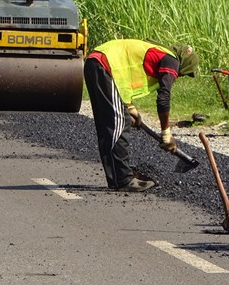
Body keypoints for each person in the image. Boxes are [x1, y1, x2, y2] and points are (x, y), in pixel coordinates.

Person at [84, 39, 199, 192]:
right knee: (119, 123)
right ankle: (123, 180)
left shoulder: (158, 52)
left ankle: (118, 177)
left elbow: (125, 75)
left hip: (96, 62)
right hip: (104, 65)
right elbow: (164, 98)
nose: (180, 76)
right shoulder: (171, 60)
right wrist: (166, 132)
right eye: (183, 73)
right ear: (184, 64)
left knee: (110, 123)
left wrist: (130, 107)